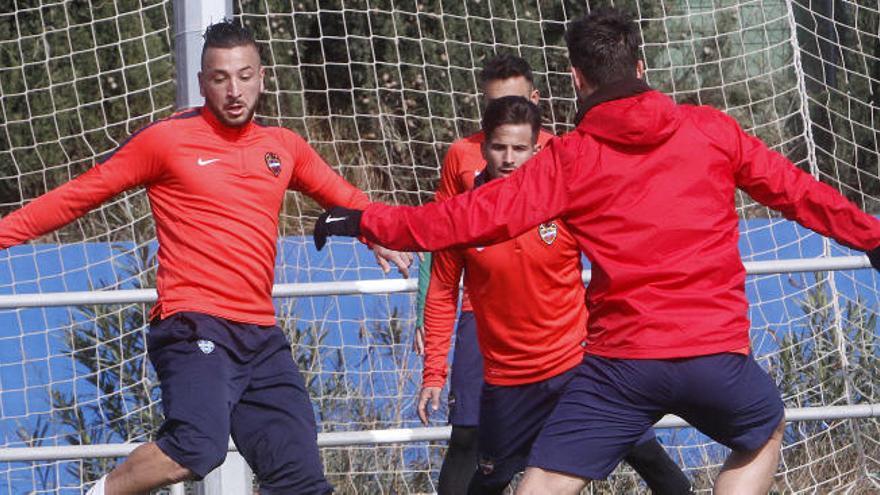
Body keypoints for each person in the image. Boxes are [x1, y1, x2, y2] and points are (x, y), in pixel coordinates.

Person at [313, 8, 880, 495]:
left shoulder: (571, 157)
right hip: (714, 356)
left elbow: (467, 216)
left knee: (541, 482)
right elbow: (799, 193)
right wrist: (872, 238)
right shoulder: (711, 130)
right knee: (764, 427)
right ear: (641, 68)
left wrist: (368, 219)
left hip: (622, 366)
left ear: (576, 79)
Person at [0, 20, 412, 495]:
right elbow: (78, 196)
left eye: (243, 76)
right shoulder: (166, 141)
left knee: (300, 478)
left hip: (259, 334)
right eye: (220, 78)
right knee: (196, 447)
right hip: (193, 323)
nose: (233, 91)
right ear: (202, 83)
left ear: (262, 77)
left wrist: (378, 232)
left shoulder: (284, 147)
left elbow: (346, 198)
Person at [419, 95, 691, 494]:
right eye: (499, 147)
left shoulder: (564, 203)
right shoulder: (461, 217)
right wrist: (433, 371)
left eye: (519, 148)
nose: (509, 159)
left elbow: (621, 255)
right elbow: (442, 293)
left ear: (536, 149)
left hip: (579, 369)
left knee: (650, 459)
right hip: (508, 381)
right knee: (488, 480)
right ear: (482, 149)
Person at [412, 54, 555, 495]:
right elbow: (440, 252)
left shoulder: (561, 154)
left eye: (513, 106)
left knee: (594, 439)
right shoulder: (461, 156)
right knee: (469, 437)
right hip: (481, 316)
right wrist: (432, 351)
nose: (505, 124)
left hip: (551, 321)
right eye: (493, 109)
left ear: (534, 101)